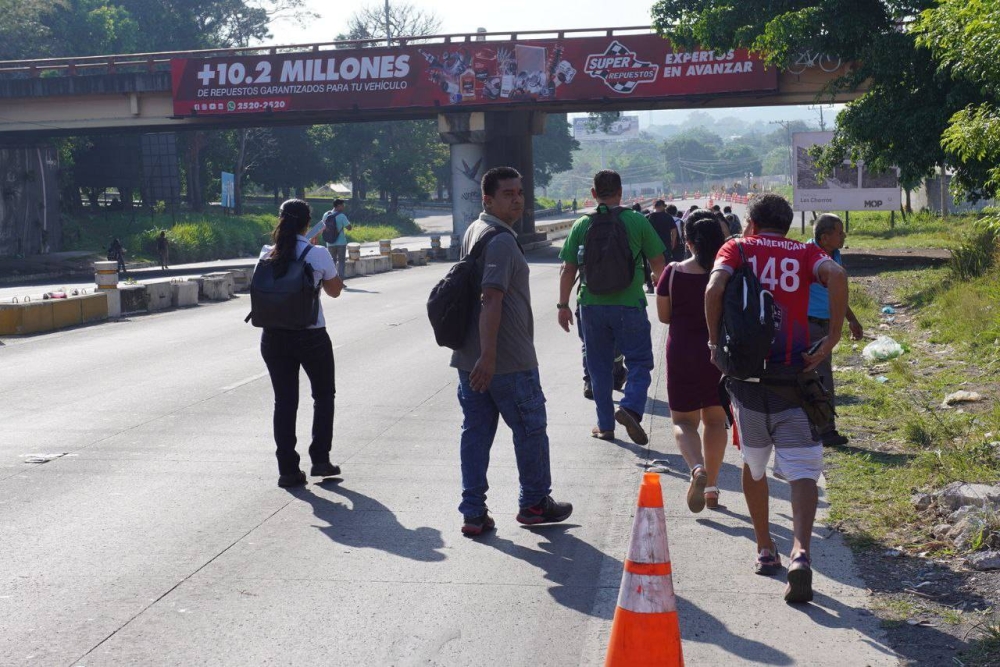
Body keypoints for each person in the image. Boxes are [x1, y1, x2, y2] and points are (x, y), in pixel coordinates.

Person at [706, 193, 847, 604]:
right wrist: (832, 338)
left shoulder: (737, 247)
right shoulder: (806, 252)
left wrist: (715, 344)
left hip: (748, 382)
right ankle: (800, 553)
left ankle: (765, 547)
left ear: (752, 220)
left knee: (754, 465)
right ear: (788, 224)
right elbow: (836, 276)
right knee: (804, 470)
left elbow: (715, 287)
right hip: (795, 378)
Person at [452, 166, 572, 537]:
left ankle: (473, 512)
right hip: (506, 361)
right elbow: (491, 299)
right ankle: (535, 502)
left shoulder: (476, 230)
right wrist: (489, 357)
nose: (517, 199)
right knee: (531, 430)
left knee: (475, 433)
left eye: (520, 192)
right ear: (488, 199)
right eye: (508, 194)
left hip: (469, 356)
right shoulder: (501, 241)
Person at [558, 170, 666, 444]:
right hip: (629, 304)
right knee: (639, 361)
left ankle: (605, 425)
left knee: (598, 367)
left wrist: (563, 305)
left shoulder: (581, 224)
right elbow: (659, 264)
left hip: (591, 305)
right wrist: (667, 295)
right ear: (621, 191)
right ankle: (630, 407)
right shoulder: (636, 221)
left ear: (593, 194)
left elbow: (568, 269)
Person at [257, 199, 344, 488]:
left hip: (273, 335)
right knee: (323, 396)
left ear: (280, 220)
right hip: (311, 336)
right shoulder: (316, 252)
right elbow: (335, 292)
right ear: (308, 223)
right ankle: (320, 459)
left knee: (284, 402)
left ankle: (287, 469)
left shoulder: (266, 253)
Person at [656, 211, 728, 512]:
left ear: (688, 242)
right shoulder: (727, 273)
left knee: (684, 422)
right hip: (718, 353)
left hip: (683, 351)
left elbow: (664, 316)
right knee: (715, 421)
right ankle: (711, 487)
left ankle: (696, 468)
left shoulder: (671, 272)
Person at [808, 214, 864, 447]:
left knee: (819, 376)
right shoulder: (807, 256)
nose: (844, 236)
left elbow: (838, 294)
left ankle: (817, 428)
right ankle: (824, 431)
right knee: (821, 377)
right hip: (810, 325)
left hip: (826, 325)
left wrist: (852, 319)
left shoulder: (835, 255)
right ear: (824, 237)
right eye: (840, 233)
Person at [322, 198, 352, 278]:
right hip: (341, 243)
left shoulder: (326, 214)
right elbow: (349, 228)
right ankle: (341, 280)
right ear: (338, 206)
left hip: (329, 242)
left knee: (332, 262)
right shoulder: (341, 215)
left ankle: (332, 279)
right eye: (342, 205)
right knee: (341, 261)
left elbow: (322, 226)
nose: (343, 207)